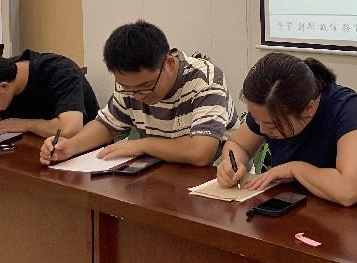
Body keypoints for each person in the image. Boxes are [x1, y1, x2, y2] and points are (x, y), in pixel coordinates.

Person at [40, 20, 234, 166]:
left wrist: (141, 145)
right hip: (161, 172)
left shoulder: (205, 79)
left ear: (169, 63)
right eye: (127, 88)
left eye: (146, 86)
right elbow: (106, 125)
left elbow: (201, 152)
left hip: (214, 178)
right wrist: (71, 146)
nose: (138, 95)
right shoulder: (130, 84)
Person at [216, 52, 357, 207]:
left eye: (272, 125)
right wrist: (233, 164)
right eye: (256, 120)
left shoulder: (348, 108)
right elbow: (238, 145)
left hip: (344, 217)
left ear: (309, 108)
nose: (262, 130)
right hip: (288, 207)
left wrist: (295, 169)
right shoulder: (267, 109)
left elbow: (349, 190)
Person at [0, 48, 99, 138]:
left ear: (3, 87)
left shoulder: (60, 72)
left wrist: (25, 124)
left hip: (83, 158)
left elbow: (69, 129)